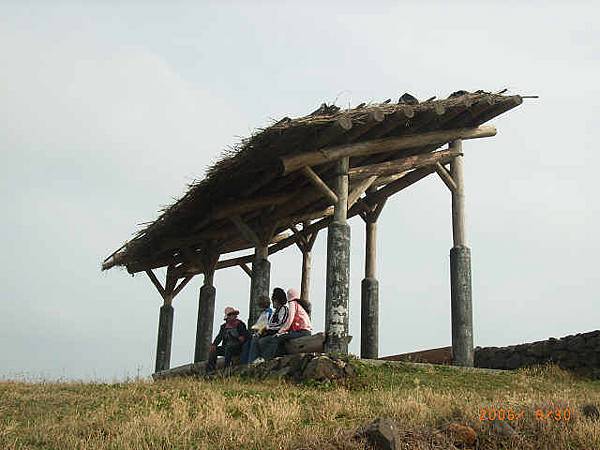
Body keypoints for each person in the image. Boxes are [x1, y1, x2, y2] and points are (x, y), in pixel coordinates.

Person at [206, 306, 250, 373]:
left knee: (229, 348)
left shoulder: (240, 325)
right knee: (214, 351)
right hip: (226, 347)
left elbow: (244, 337)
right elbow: (219, 337)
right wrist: (214, 345)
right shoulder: (223, 327)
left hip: (237, 347)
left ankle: (226, 369)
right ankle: (210, 370)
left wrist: (238, 337)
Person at [252, 287, 289, 363]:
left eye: (273, 300)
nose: (272, 302)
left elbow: (282, 323)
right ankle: (255, 360)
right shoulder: (275, 312)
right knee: (259, 340)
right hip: (272, 332)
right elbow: (270, 323)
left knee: (264, 341)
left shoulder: (284, 309)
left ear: (278, 300)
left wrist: (268, 327)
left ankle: (264, 358)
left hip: (280, 332)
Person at [241, 295, 272, 364]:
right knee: (246, 344)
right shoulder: (264, 313)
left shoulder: (268, 313)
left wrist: (257, 331)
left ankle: (250, 361)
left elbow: (264, 325)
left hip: (262, 333)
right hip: (259, 332)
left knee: (253, 341)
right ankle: (244, 362)